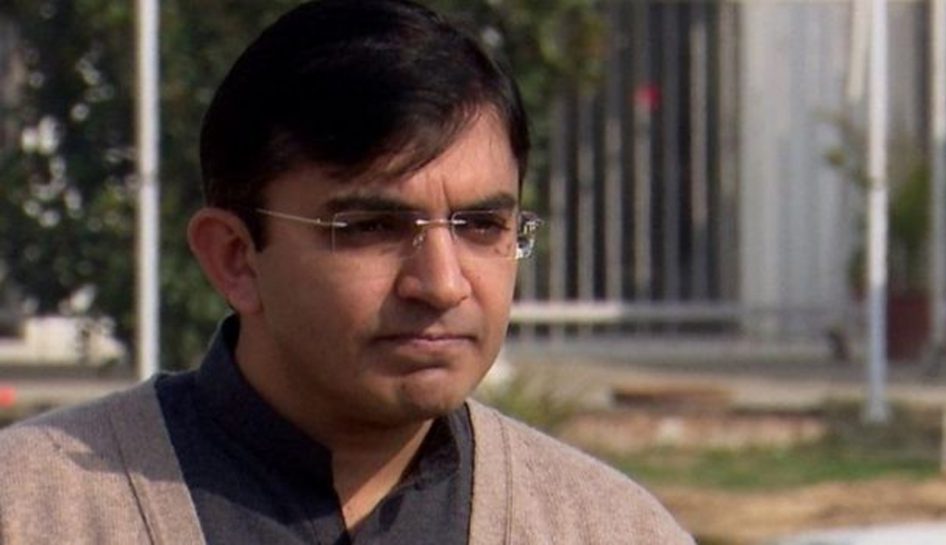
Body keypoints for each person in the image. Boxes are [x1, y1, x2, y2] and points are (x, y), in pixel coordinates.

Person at [0, 1, 694, 543]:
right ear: (235, 257)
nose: (442, 283)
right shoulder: (36, 513)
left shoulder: (604, 527)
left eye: (481, 226)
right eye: (372, 228)